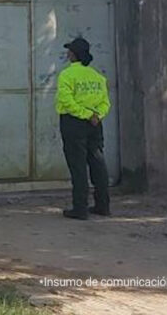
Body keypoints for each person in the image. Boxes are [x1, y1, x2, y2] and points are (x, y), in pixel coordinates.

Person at [55, 37, 111, 220]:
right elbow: (105, 103)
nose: (67, 53)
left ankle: (80, 208)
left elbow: (67, 101)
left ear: (73, 54)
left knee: (78, 166)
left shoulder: (67, 75)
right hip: (95, 124)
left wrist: (85, 115)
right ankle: (103, 205)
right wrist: (96, 116)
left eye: (69, 51)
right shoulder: (97, 76)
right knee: (97, 163)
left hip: (74, 123)